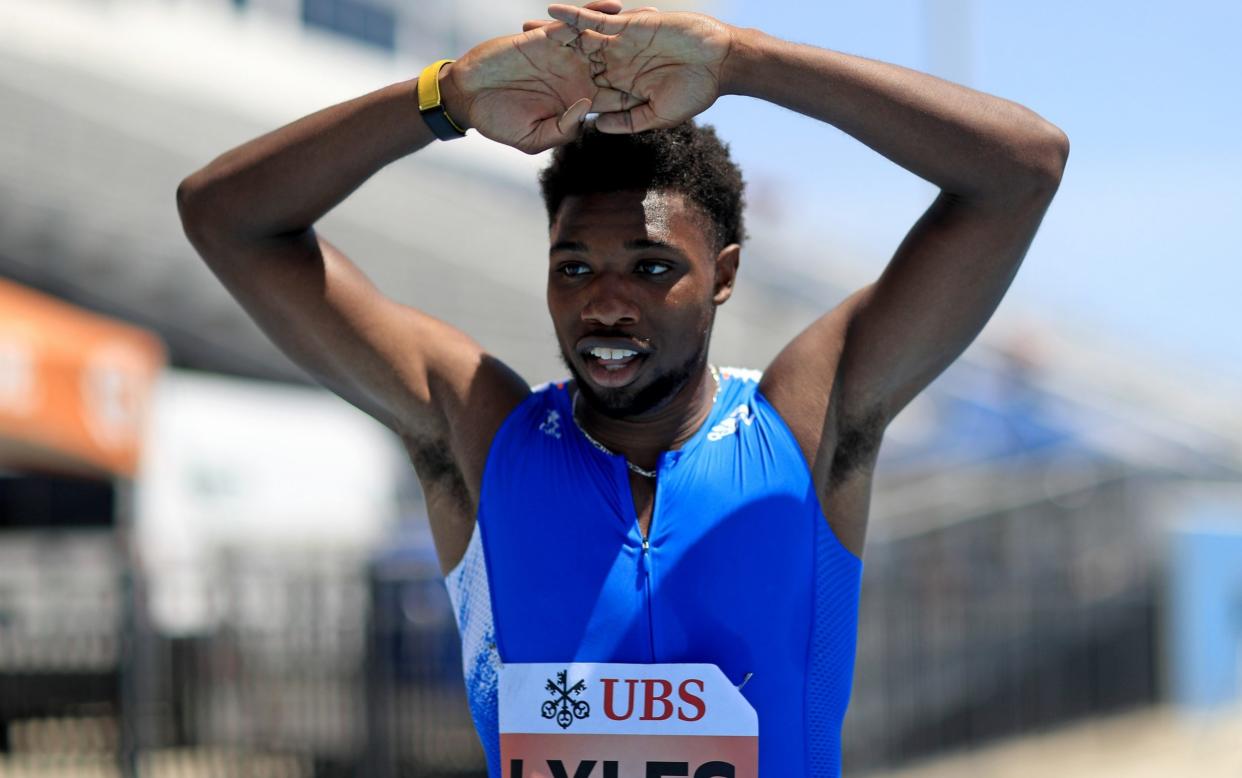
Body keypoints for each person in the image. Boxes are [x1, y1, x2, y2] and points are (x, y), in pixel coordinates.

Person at [176, 2, 1068, 775]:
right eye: (574, 267)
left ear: (721, 275)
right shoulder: (483, 438)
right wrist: (442, 101)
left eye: (650, 267)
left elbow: (1022, 168)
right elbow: (225, 216)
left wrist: (746, 61)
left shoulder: (804, 423)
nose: (605, 302)